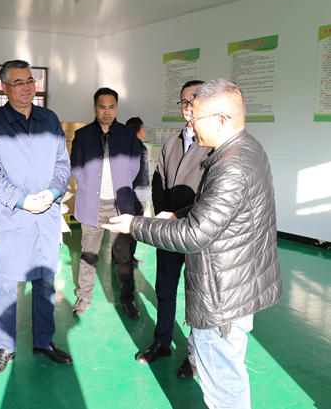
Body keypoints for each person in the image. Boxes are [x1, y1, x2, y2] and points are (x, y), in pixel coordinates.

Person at [104, 78, 281, 409]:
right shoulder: (246, 149)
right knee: (229, 374)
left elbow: (195, 234)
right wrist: (177, 213)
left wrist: (135, 225)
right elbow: (213, 207)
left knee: (223, 387)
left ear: (220, 120)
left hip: (222, 295)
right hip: (237, 283)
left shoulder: (230, 165)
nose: (190, 122)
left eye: (195, 117)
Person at [0, 59, 72, 375]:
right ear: (5, 88)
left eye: (30, 80)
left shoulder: (49, 119)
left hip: (46, 214)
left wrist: (53, 192)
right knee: (8, 284)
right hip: (13, 216)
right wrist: (21, 200)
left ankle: (43, 342)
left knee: (45, 283)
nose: (26, 87)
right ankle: (5, 347)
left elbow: (62, 162)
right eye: (18, 82)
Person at [135, 80, 211, 379]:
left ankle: (195, 354)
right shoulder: (172, 142)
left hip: (197, 231)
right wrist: (162, 214)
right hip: (169, 231)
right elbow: (159, 180)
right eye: (184, 101)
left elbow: (209, 196)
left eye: (194, 100)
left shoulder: (214, 144)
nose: (188, 106)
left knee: (197, 294)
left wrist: (177, 215)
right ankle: (162, 342)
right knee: (165, 290)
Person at [70, 88, 141, 317]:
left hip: (120, 206)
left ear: (116, 108)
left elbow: (134, 166)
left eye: (111, 107)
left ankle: (128, 299)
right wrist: (87, 186)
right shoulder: (82, 135)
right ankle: (84, 296)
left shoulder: (128, 135)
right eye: (102, 107)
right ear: (95, 108)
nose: (107, 111)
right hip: (92, 204)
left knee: (123, 257)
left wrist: (122, 184)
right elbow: (76, 167)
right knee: (88, 254)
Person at [125, 117, 150, 266]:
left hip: (123, 192)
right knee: (133, 225)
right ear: (141, 130)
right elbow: (141, 173)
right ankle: (129, 257)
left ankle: (117, 254)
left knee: (122, 223)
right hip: (137, 194)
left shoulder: (122, 145)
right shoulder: (140, 147)